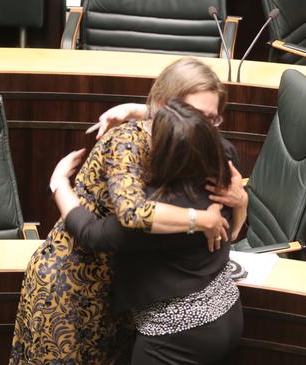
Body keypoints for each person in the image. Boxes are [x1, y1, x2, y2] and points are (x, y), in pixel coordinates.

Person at [10, 57, 247, 364]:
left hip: (124, 289)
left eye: (212, 119)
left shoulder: (204, 160)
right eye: (197, 117)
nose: (205, 129)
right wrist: (58, 183)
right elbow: (128, 217)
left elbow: (237, 226)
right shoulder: (132, 148)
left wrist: (240, 203)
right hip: (72, 282)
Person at [51, 99, 242, 365]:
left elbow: (91, 233)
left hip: (175, 338)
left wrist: (59, 184)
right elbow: (233, 232)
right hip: (228, 313)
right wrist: (134, 109)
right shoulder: (224, 178)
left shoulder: (156, 214)